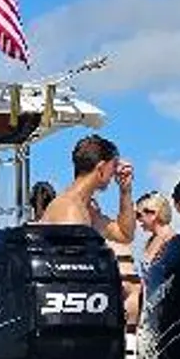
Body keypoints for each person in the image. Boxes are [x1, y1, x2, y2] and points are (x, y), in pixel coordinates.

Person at [45, 135, 140, 327]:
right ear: (101, 168)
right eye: (113, 167)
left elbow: (124, 234)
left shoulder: (86, 208)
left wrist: (125, 191)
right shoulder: (70, 210)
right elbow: (72, 273)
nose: (114, 173)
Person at [134, 190, 175, 285]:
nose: (137, 220)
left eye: (139, 215)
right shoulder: (151, 240)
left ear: (153, 214)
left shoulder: (171, 239)